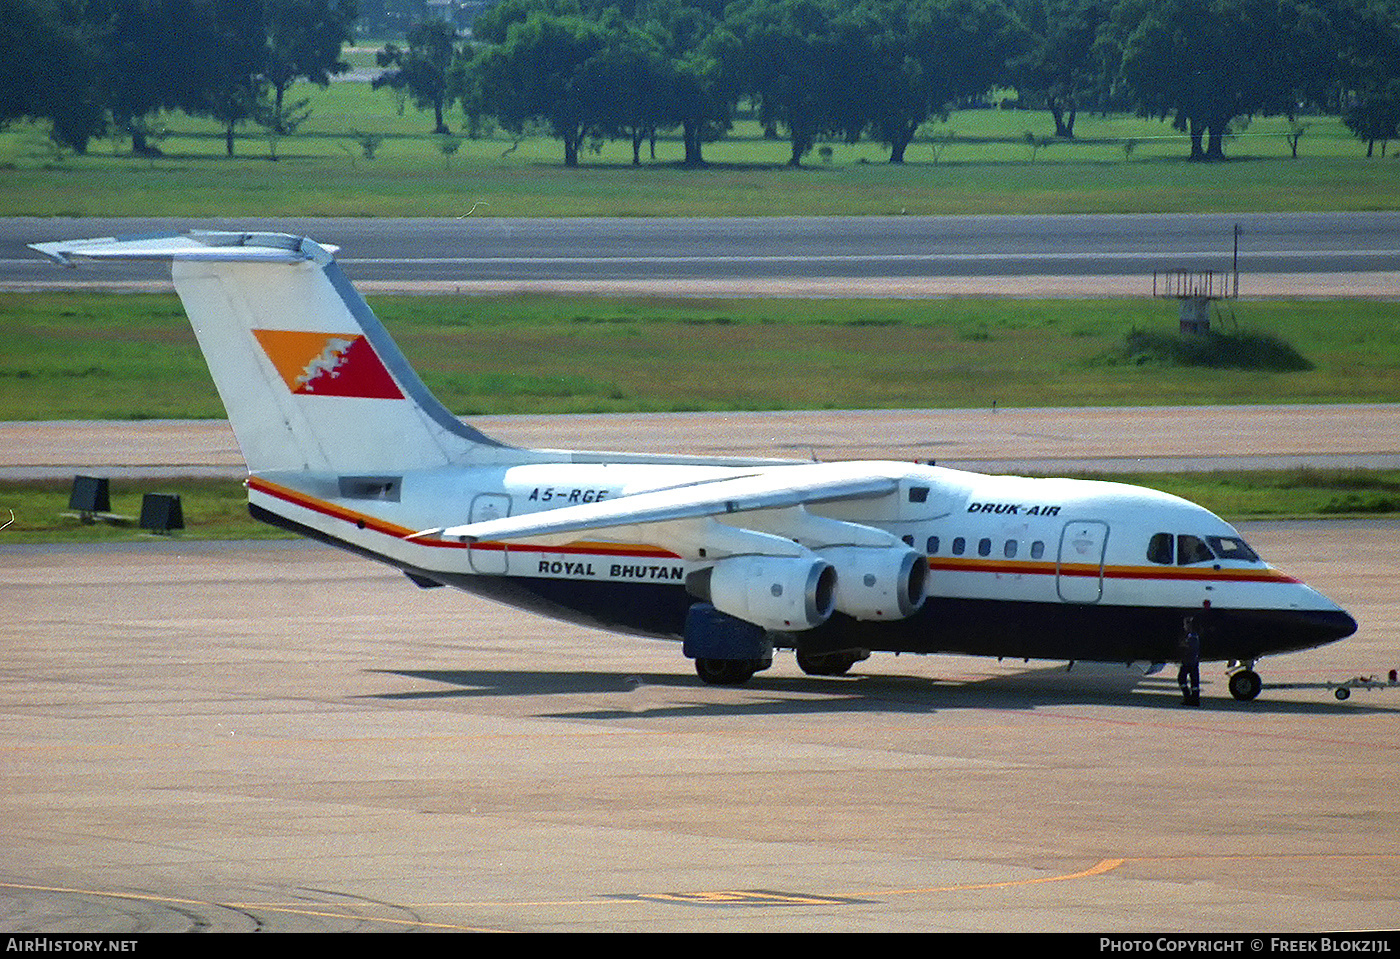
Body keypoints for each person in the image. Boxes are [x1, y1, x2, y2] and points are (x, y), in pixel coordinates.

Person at [1178, 617, 1201, 706]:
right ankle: (1194, 698)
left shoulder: (1191, 637)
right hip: (1193, 661)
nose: (1184, 627)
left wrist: (1183, 645)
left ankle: (1188, 697)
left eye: (1185, 625)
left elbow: (1189, 648)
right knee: (1194, 681)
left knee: (1181, 679)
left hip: (1188, 662)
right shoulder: (1194, 636)